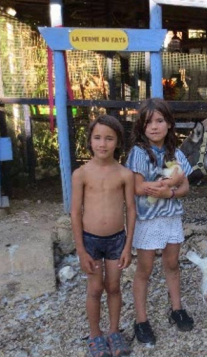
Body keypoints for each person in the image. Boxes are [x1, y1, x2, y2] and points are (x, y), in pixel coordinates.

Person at [126, 99, 194, 346]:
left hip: (171, 216)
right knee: (144, 269)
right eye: (148, 122)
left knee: (172, 263)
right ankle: (141, 320)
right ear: (141, 127)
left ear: (169, 124)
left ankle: (176, 308)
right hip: (147, 219)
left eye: (159, 121)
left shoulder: (175, 153)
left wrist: (171, 192)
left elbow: (185, 185)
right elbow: (135, 185)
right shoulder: (139, 153)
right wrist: (164, 184)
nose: (154, 127)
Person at [71, 115, 136, 357]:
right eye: (97, 137)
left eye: (109, 138)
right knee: (95, 288)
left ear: (117, 142)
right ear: (90, 140)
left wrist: (128, 246)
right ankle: (95, 335)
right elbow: (75, 213)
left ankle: (114, 332)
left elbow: (131, 210)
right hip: (91, 241)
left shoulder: (124, 174)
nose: (103, 143)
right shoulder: (81, 174)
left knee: (114, 286)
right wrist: (81, 250)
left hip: (117, 240)